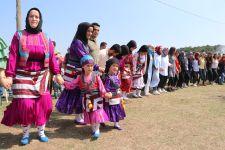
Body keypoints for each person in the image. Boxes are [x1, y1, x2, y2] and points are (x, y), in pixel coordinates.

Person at [1, 8, 63, 145]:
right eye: (31, 16)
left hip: (42, 75)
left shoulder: (46, 37)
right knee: (25, 106)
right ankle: (25, 133)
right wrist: (9, 75)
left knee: (45, 105)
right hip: (22, 75)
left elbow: (52, 57)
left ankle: (41, 131)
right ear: (27, 19)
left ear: (40, 19)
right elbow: (12, 56)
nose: (34, 19)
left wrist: (57, 73)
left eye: (36, 17)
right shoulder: (18, 35)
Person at [56, 22, 103, 124]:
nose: (90, 33)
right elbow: (85, 58)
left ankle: (79, 116)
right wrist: (97, 67)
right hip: (74, 73)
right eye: (88, 31)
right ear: (82, 31)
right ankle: (78, 117)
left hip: (79, 72)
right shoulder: (77, 43)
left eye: (91, 31)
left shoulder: (83, 43)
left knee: (80, 94)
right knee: (77, 93)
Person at [64, 55, 112, 139]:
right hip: (86, 100)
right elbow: (72, 85)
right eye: (88, 66)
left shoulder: (96, 76)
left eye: (91, 66)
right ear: (83, 66)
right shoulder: (79, 77)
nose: (90, 67)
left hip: (97, 98)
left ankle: (97, 130)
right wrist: (63, 83)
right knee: (90, 115)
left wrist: (105, 94)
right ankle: (94, 129)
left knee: (96, 114)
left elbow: (101, 87)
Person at [103, 58, 126, 130]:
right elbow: (106, 87)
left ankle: (116, 124)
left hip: (117, 96)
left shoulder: (117, 76)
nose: (115, 67)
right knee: (107, 110)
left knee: (117, 110)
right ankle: (101, 120)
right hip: (110, 97)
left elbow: (119, 85)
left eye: (117, 66)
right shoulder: (106, 77)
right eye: (113, 65)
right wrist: (110, 93)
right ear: (109, 66)